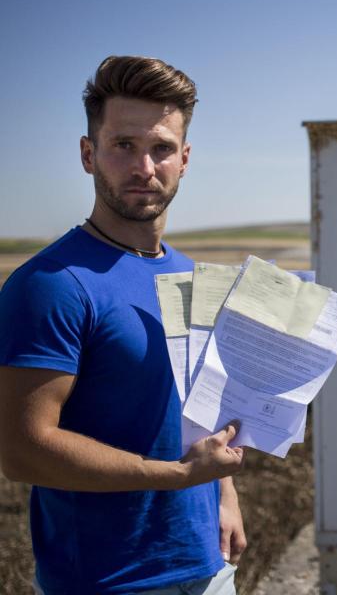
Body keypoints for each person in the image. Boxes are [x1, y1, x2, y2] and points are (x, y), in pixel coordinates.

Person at [0, 56, 247, 594]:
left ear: (184, 159)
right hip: (107, 581)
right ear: (89, 154)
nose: (145, 167)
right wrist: (180, 478)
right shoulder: (52, 283)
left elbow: (198, 407)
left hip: (208, 568)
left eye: (161, 148)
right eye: (124, 146)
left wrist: (223, 496)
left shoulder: (189, 275)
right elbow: (22, 450)